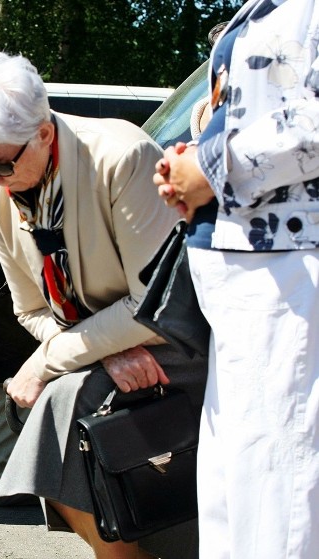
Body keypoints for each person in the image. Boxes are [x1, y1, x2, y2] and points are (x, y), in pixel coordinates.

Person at [0, 51, 207, 558]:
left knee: (60, 404)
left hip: (178, 340)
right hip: (105, 348)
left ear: (42, 131)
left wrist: (50, 360)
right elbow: (29, 309)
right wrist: (98, 351)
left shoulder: (120, 155)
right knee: (57, 417)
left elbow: (156, 303)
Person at [153, 2, 319, 557]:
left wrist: (211, 165)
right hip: (250, 265)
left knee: (279, 484)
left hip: (287, 265)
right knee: (239, 482)